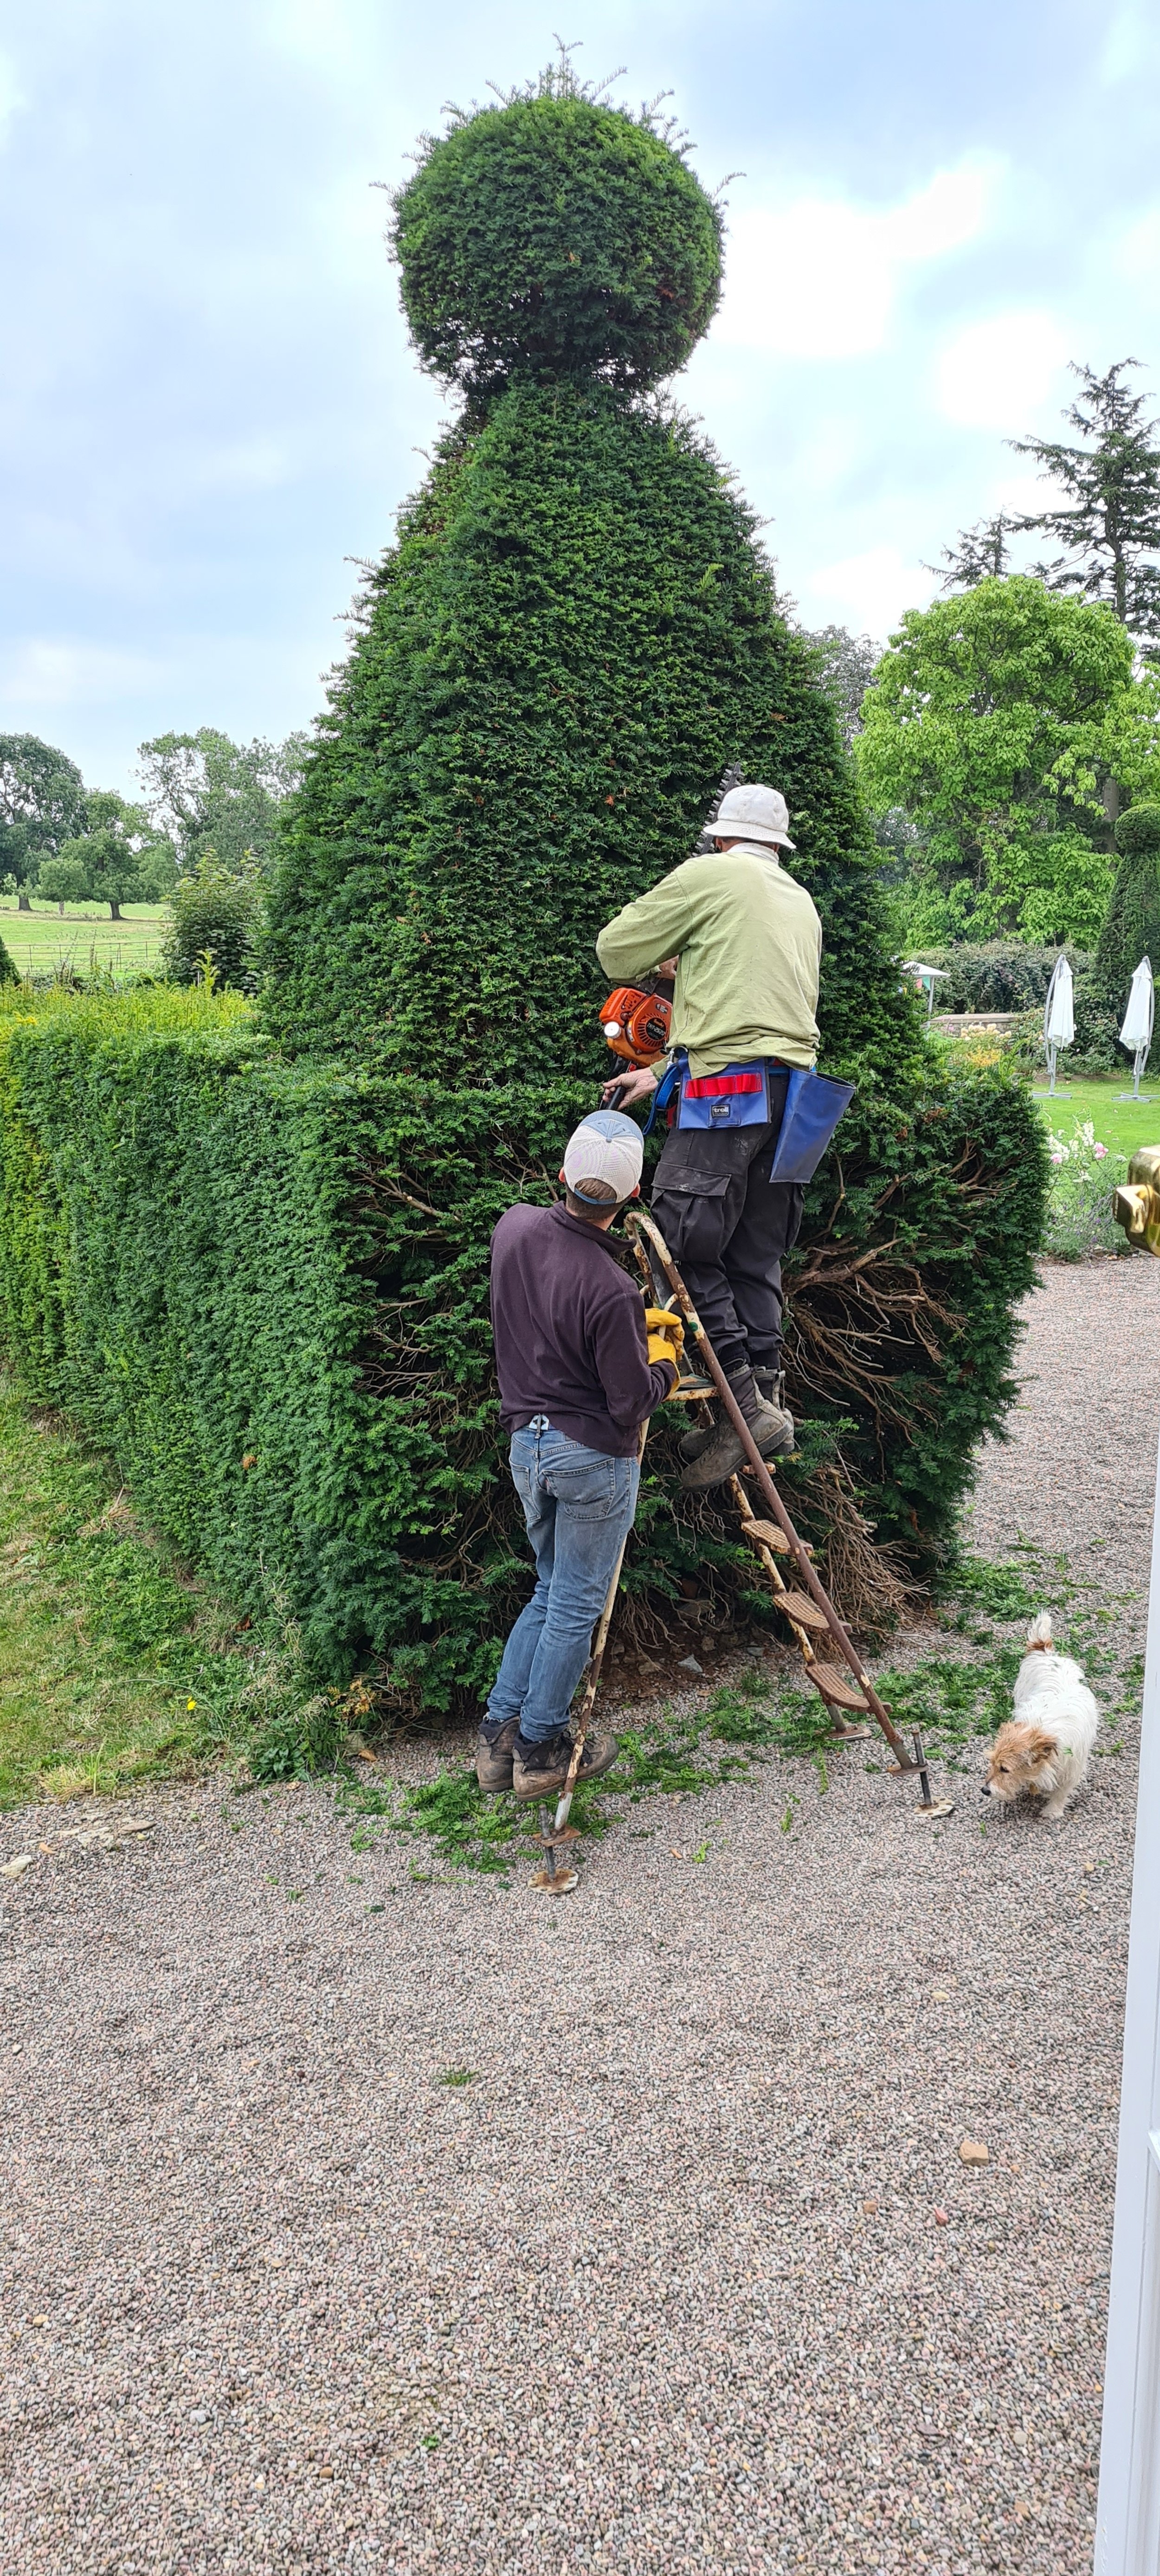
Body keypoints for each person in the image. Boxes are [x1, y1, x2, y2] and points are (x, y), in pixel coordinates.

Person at [595, 781, 822, 1492]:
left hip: (729, 1089)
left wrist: (668, 957)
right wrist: (661, 1071)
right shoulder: (799, 900)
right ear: (777, 845)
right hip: (800, 1096)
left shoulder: (711, 875)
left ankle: (744, 1412)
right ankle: (765, 1405)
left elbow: (615, 950)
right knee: (757, 1253)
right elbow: (756, 1017)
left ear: (721, 839)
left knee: (681, 1241)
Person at [477, 1110, 684, 1800]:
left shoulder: (513, 1228)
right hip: (590, 1456)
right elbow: (631, 1403)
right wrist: (664, 1358)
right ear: (629, 1198)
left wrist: (633, 1336)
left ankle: (497, 1738)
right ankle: (541, 1749)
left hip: (527, 1449)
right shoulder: (612, 1288)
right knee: (573, 1605)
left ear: (563, 1177)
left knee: (547, 1588)